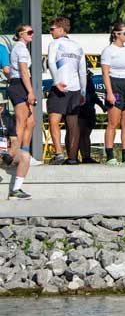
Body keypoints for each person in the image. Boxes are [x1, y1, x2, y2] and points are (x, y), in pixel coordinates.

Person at [40, 17, 82, 164]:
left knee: (53, 120)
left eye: (52, 29)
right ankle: (72, 158)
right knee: (73, 124)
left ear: (61, 30)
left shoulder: (55, 43)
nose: (50, 32)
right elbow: (82, 70)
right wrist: (82, 91)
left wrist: (56, 81)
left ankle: (58, 153)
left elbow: (51, 62)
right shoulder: (77, 46)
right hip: (75, 88)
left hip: (61, 87)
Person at [99, 21, 125, 162]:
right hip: (115, 84)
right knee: (113, 122)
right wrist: (109, 93)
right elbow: (105, 73)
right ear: (116, 34)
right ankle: (110, 155)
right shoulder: (108, 51)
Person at [8, 26, 36, 161]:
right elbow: (24, 71)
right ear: (21, 34)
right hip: (20, 85)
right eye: (29, 32)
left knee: (31, 122)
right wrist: (30, 91)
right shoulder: (21, 49)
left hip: (19, 84)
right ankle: (12, 154)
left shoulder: (20, 48)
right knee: (22, 122)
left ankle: (25, 153)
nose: (32, 34)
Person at [0, 99, 29, 199]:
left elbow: (14, 140)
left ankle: (15, 190)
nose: (0, 107)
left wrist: (10, 152)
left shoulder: (7, 118)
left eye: (1, 105)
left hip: (5, 153)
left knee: (25, 155)